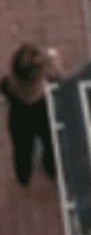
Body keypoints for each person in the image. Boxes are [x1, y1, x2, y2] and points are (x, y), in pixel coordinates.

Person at [2, 42, 61, 187]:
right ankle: (51, 170)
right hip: (44, 117)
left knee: (22, 151)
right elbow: (62, 82)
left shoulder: (9, 86)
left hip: (19, 121)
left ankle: (23, 178)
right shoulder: (47, 87)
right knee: (50, 146)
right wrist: (55, 65)